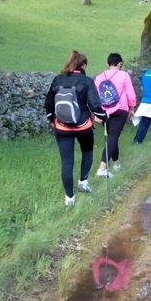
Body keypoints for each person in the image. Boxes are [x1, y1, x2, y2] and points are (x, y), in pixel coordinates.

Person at [44, 50, 107, 207]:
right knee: (87, 151)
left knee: (67, 162)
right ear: (83, 65)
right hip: (82, 126)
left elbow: (48, 104)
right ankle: (83, 182)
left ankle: (69, 199)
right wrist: (103, 117)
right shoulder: (86, 81)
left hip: (62, 127)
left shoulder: (58, 80)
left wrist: (52, 120)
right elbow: (95, 105)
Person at [93, 53, 136, 177]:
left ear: (107, 64)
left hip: (104, 111)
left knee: (112, 136)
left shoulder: (100, 77)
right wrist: (131, 108)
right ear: (120, 64)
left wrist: (97, 113)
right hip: (120, 109)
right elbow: (130, 93)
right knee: (113, 137)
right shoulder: (124, 75)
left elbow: (95, 96)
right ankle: (102, 168)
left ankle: (116, 164)